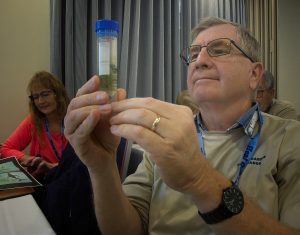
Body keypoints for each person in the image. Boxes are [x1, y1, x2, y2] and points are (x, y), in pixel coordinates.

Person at [64, 17, 300, 235]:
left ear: (254, 74)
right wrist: (102, 166)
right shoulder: (164, 138)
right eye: (194, 53)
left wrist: (199, 181)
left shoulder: (289, 138)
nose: (200, 61)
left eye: (219, 49)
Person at [1, 71, 69, 179]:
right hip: (45, 180)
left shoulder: (73, 118)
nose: (40, 101)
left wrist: (52, 166)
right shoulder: (33, 120)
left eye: (45, 94)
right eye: (35, 97)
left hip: (72, 179)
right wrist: (27, 158)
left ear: (57, 94)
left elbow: (83, 161)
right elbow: (5, 149)